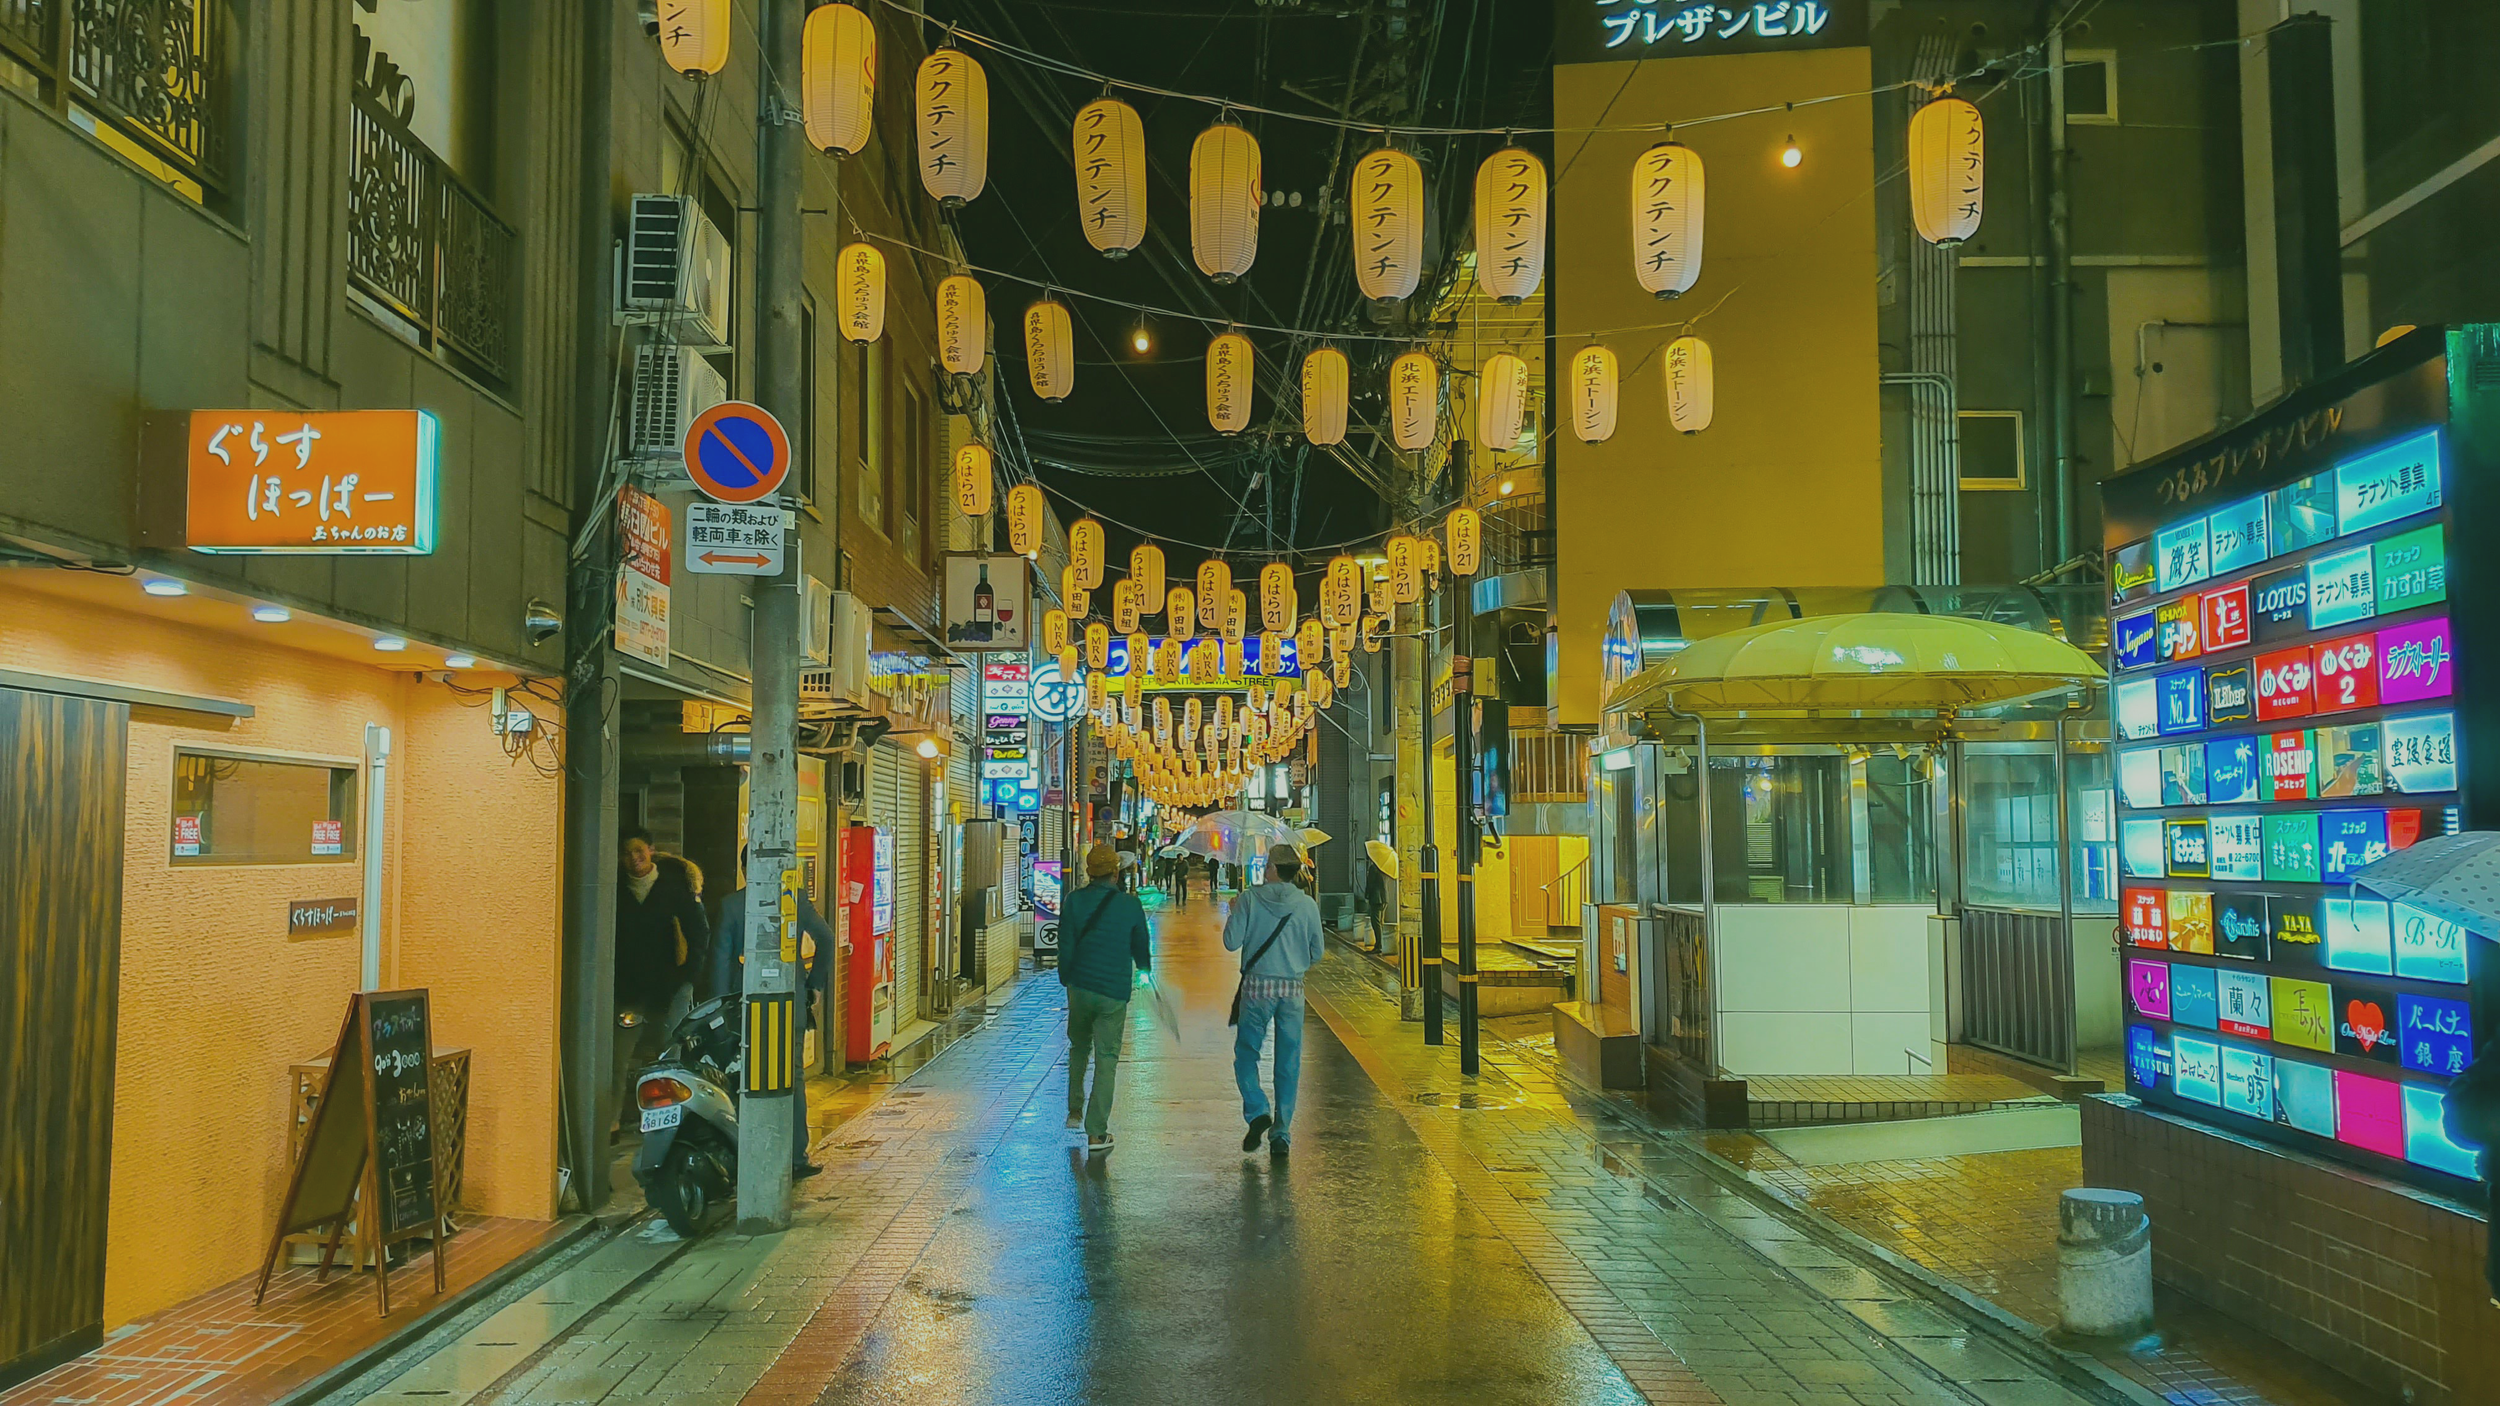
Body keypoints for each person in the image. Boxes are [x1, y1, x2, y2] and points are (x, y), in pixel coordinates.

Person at [712, 849, 838, 1178]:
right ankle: (796, 1156)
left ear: (743, 869)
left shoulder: (731, 906)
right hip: (790, 1001)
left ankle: (745, 1155)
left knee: (742, 1075)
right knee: (792, 1076)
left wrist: (721, 1005)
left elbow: (720, 963)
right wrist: (813, 985)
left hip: (744, 1005)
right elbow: (825, 938)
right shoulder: (793, 899)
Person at [1225, 845, 1326, 1157]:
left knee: (1246, 1054)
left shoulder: (1249, 899)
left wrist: (1234, 912)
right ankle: (1281, 1132)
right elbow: (1317, 952)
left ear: (1271, 869)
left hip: (1257, 988)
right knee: (1288, 1059)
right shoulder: (1307, 905)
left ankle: (1257, 1111)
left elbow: (1231, 943)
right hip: (1292, 990)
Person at [1058, 841, 1153, 1152]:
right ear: (1116, 873)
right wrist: (1145, 969)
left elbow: (1065, 943)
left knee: (1078, 1046)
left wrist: (1065, 977)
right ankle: (1096, 1132)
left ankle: (1074, 1108)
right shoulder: (1130, 905)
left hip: (1080, 988)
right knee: (1107, 1058)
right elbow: (1141, 946)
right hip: (1112, 992)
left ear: (1089, 872)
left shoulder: (1073, 901)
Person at [614, 830, 707, 1136]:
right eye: (627, 852)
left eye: (639, 850)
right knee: (618, 1058)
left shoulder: (675, 887)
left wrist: (687, 979)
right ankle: (612, 1122)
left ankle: (672, 1120)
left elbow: (698, 933)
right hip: (629, 990)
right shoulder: (615, 889)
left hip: (671, 987)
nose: (633, 858)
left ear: (651, 851)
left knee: (671, 1054)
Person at [1360, 856, 1390, 951]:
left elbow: (1371, 884)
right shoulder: (1385, 868)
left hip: (1376, 899)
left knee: (1375, 922)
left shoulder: (1373, 868)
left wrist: (1366, 895)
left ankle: (1378, 946)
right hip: (1384, 898)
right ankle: (1381, 945)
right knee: (1380, 922)